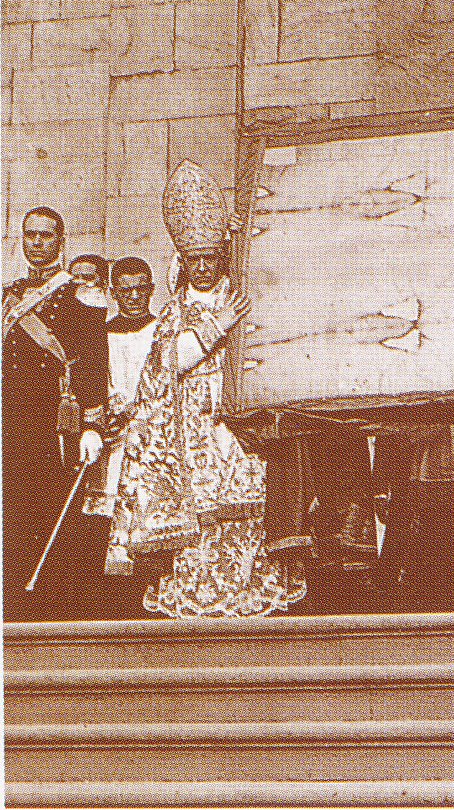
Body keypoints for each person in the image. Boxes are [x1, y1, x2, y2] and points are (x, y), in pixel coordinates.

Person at [106, 162, 306, 617]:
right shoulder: (175, 311)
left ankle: (248, 597)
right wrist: (217, 326)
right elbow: (165, 365)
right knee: (200, 514)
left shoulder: (245, 294)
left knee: (247, 506)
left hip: (242, 422)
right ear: (183, 260)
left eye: (210, 259)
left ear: (221, 258)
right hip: (191, 428)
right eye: (193, 259)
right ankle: (197, 601)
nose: (202, 267)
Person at [3, 207, 109, 620]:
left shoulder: (79, 294)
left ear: (61, 242)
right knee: (14, 508)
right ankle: (15, 605)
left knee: (55, 509)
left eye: (46, 235)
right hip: (13, 420)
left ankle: (56, 609)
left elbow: (94, 361)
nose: (37, 242)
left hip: (57, 421)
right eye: (30, 234)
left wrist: (93, 425)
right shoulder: (9, 295)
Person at [81, 258, 158, 520]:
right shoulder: (99, 336)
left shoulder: (162, 332)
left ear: (152, 289)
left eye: (141, 289)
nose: (134, 297)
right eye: (126, 290)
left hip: (153, 433)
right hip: (114, 435)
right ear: (113, 293)